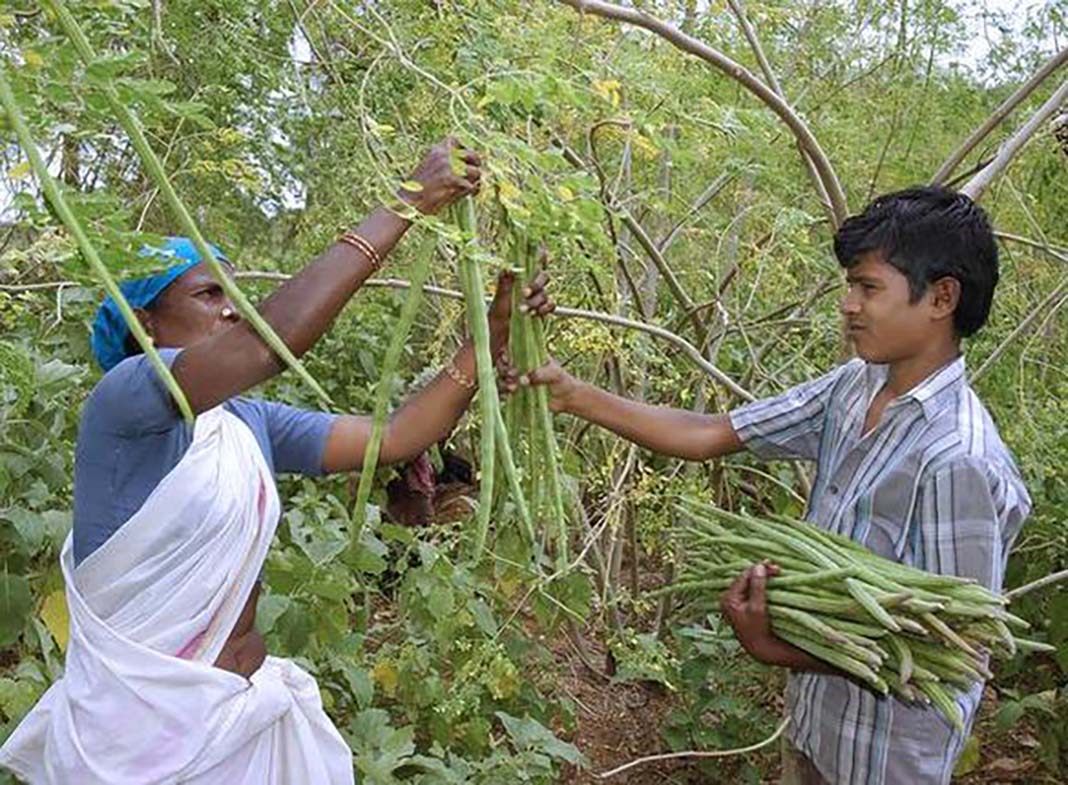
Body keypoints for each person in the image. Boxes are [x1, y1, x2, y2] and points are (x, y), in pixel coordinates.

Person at [0, 139, 554, 785]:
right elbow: (270, 342)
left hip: (239, 719)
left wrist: (490, 332)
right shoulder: (125, 398)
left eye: (234, 293)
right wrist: (408, 203)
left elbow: (398, 437)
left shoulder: (245, 422)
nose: (232, 307)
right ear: (144, 322)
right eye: (209, 293)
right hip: (142, 734)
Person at [524, 186, 1030, 785]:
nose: (848, 305)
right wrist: (572, 394)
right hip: (816, 728)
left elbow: (954, 658)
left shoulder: (958, 459)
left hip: (884, 763)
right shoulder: (853, 388)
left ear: (942, 297)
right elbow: (714, 432)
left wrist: (780, 648)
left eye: (868, 288)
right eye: (850, 286)